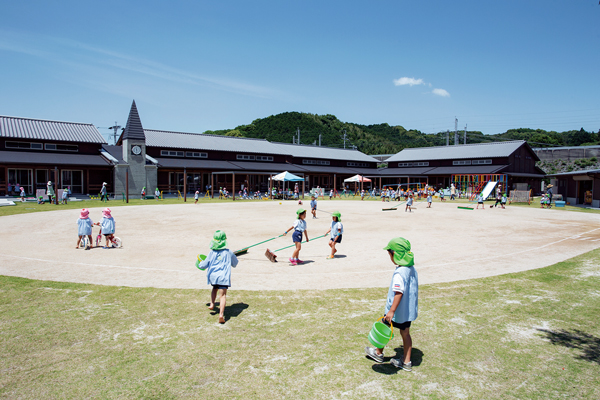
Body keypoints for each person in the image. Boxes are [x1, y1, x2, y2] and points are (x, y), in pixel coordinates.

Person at [365, 237, 418, 371]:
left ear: (394, 254)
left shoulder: (400, 273)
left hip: (396, 311)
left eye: (389, 254)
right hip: (407, 311)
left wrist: (391, 311)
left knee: (384, 326)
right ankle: (406, 362)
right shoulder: (411, 269)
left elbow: (398, 292)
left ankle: (378, 353)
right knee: (405, 333)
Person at [198, 230, 238, 324]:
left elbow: (204, 264)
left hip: (214, 276)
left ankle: (212, 304)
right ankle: (221, 314)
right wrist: (233, 256)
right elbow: (235, 264)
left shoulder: (211, 253)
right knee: (223, 295)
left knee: (214, 288)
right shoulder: (229, 252)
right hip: (223, 278)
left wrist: (199, 264)